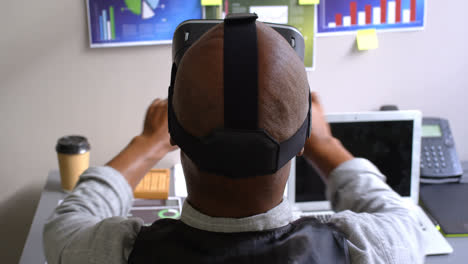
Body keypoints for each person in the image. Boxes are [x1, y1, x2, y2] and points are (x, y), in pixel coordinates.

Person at [44, 22, 425, 264]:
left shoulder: (117, 255)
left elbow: (66, 225)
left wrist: (147, 144)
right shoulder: (363, 251)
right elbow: (405, 221)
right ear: (303, 137)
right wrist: (325, 142)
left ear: (174, 133)